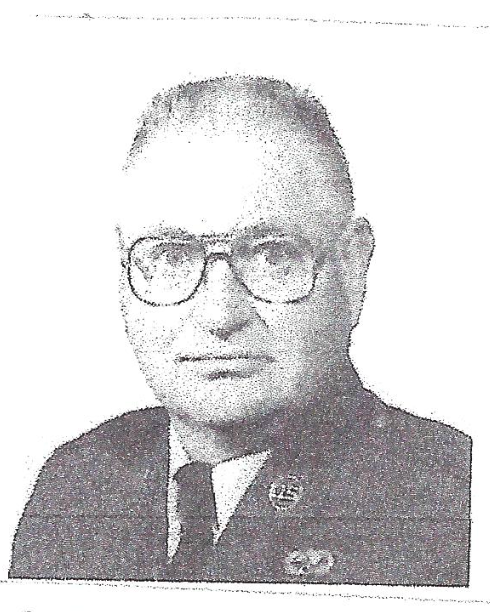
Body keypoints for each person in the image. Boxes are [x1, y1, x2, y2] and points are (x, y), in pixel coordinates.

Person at [9, 76, 471, 585]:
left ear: (353, 268)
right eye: (168, 255)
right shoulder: (80, 483)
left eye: (273, 255)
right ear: (123, 269)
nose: (218, 314)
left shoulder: (451, 496)